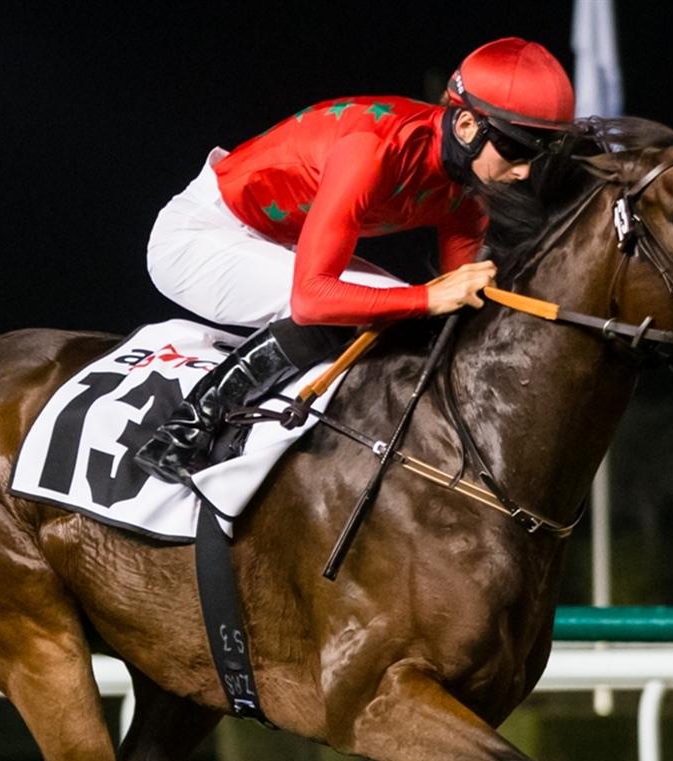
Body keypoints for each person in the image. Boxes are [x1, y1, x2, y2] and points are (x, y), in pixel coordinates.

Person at [134, 36, 576, 482]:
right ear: (466, 126)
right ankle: (181, 433)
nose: (523, 172)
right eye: (516, 150)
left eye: (535, 155)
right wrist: (425, 298)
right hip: (199, 236)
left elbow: (458, 299)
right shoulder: (373, 148)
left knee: (401, 311)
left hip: (278, 241)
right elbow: (312, 299)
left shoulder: (467, 190)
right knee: (374, 305)